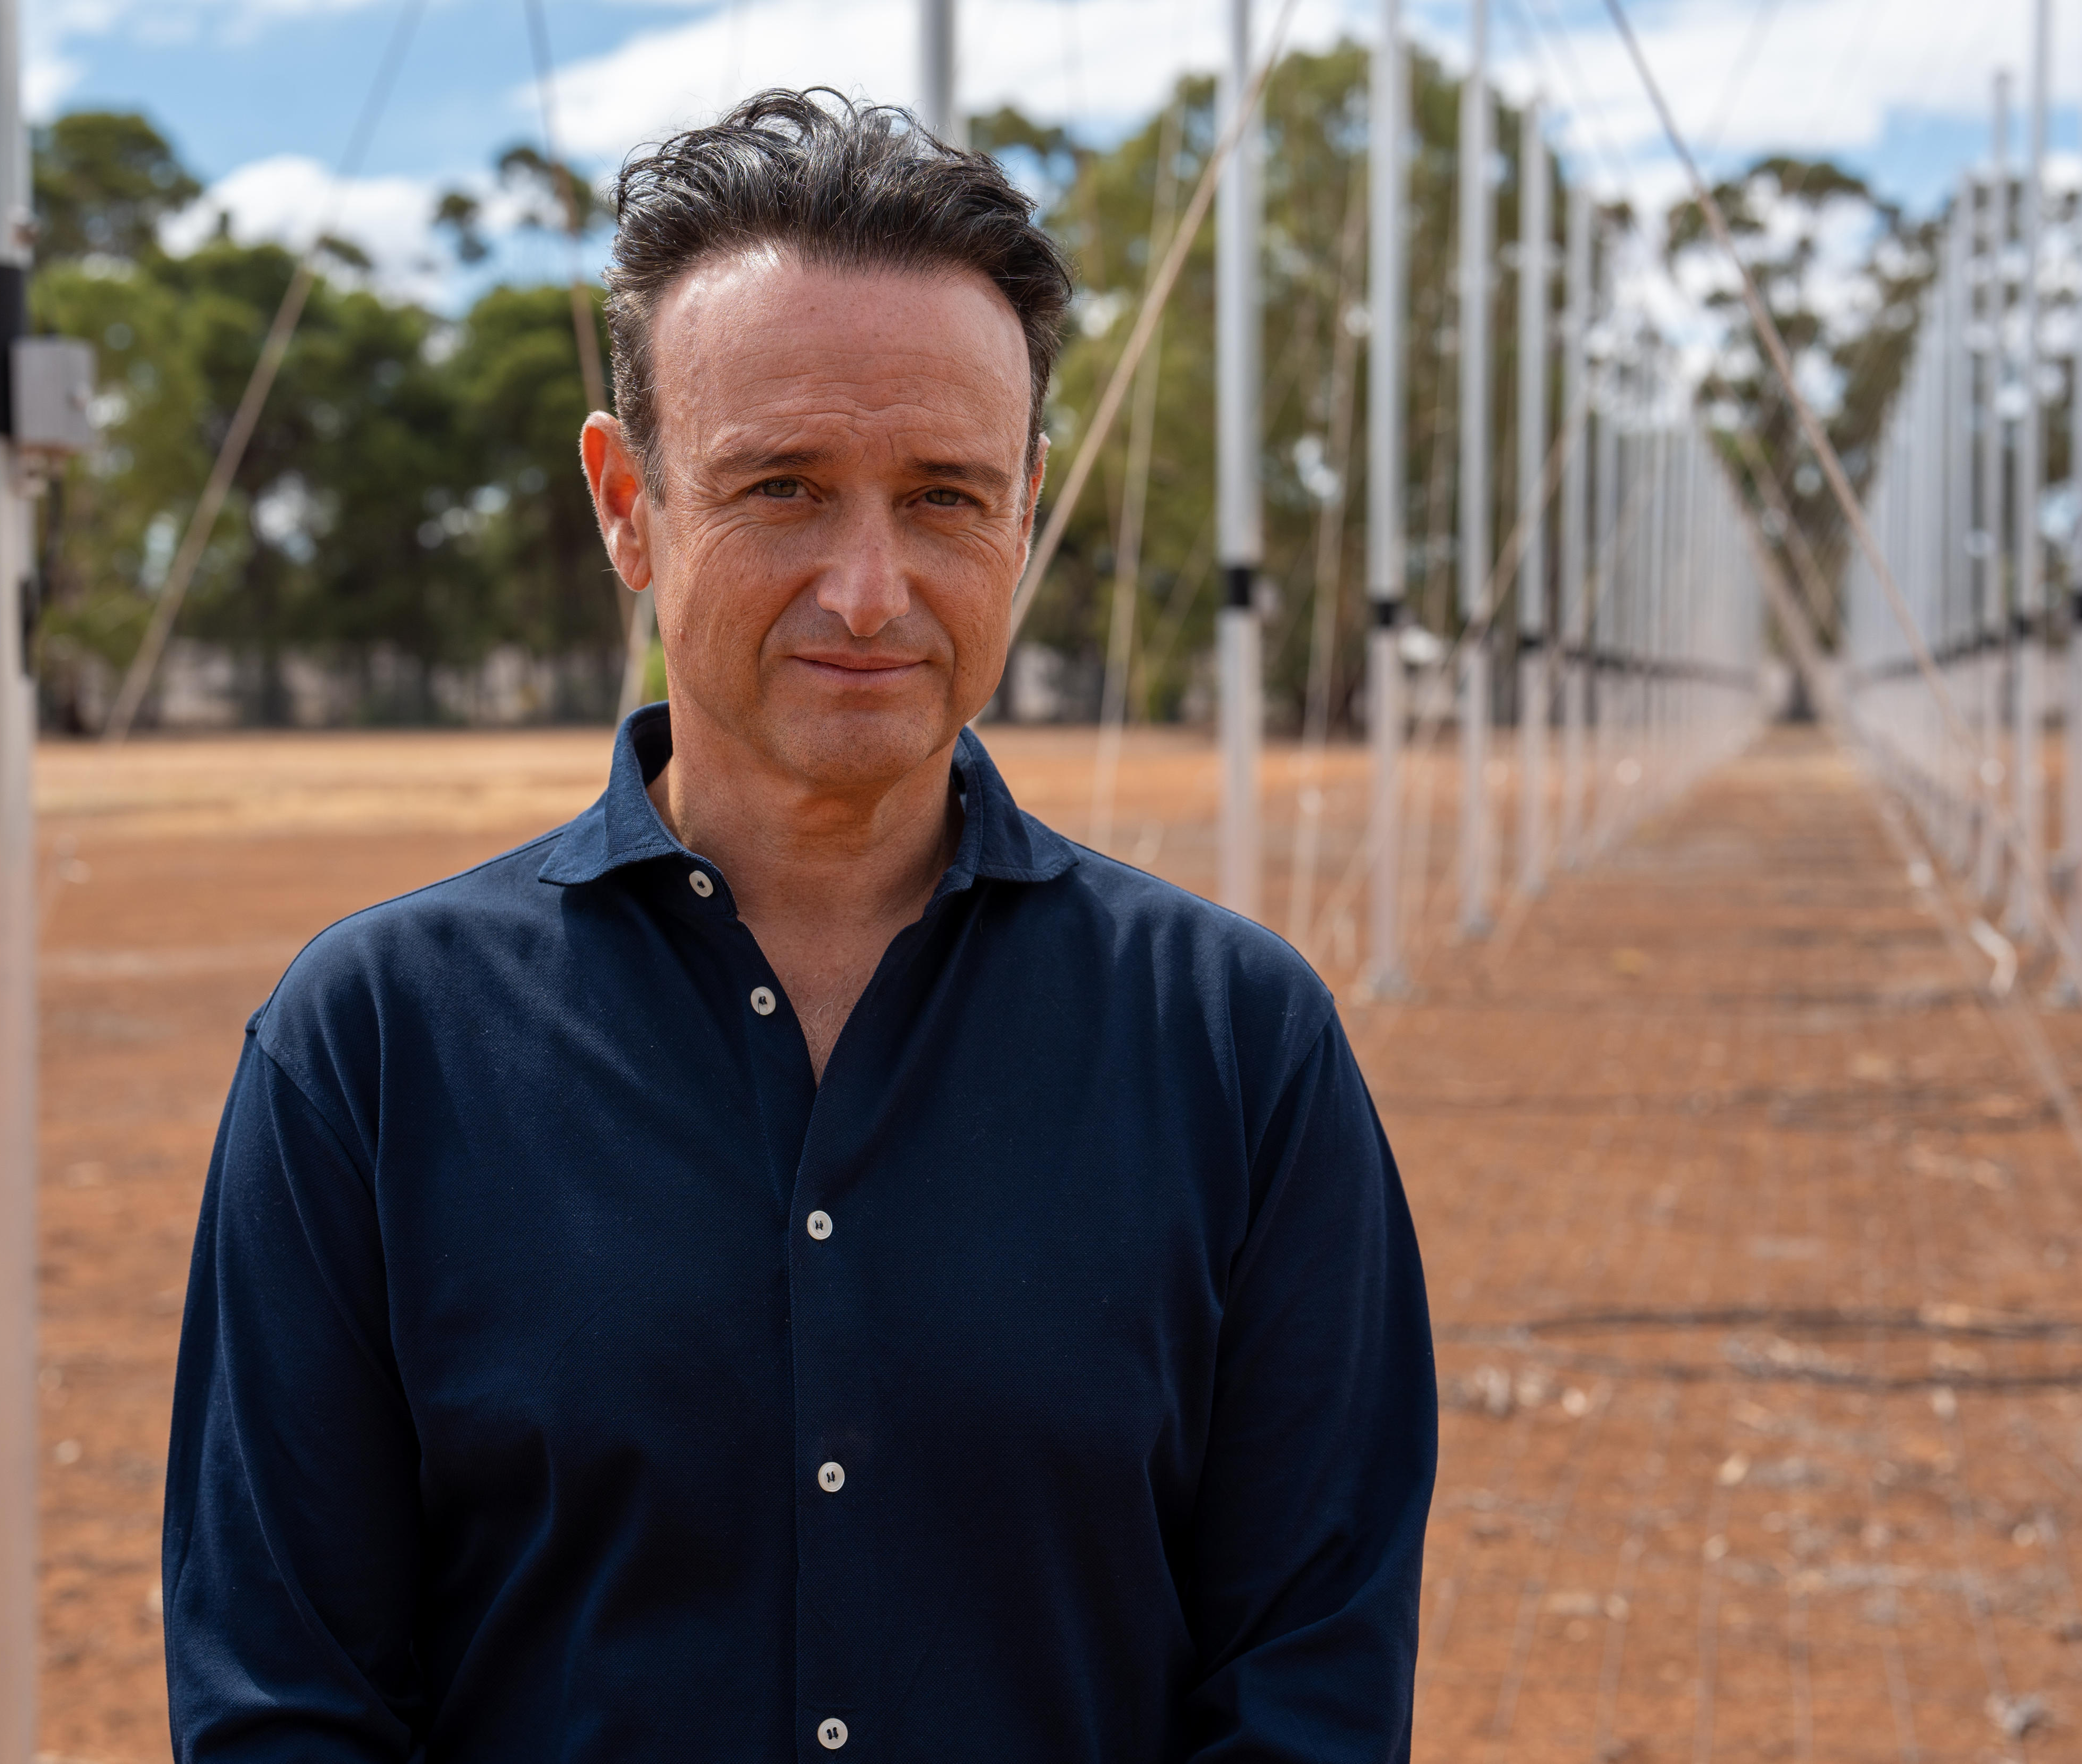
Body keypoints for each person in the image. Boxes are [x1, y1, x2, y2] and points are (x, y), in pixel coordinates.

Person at [162, 89, 1435, 1762]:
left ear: (1028, 508)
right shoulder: (374, 1046)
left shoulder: (1239, 1046)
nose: (868, 590)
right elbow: (287, 1704)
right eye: (781, 488)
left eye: (944, 497)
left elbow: (1309, 1690)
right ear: (627, 503)